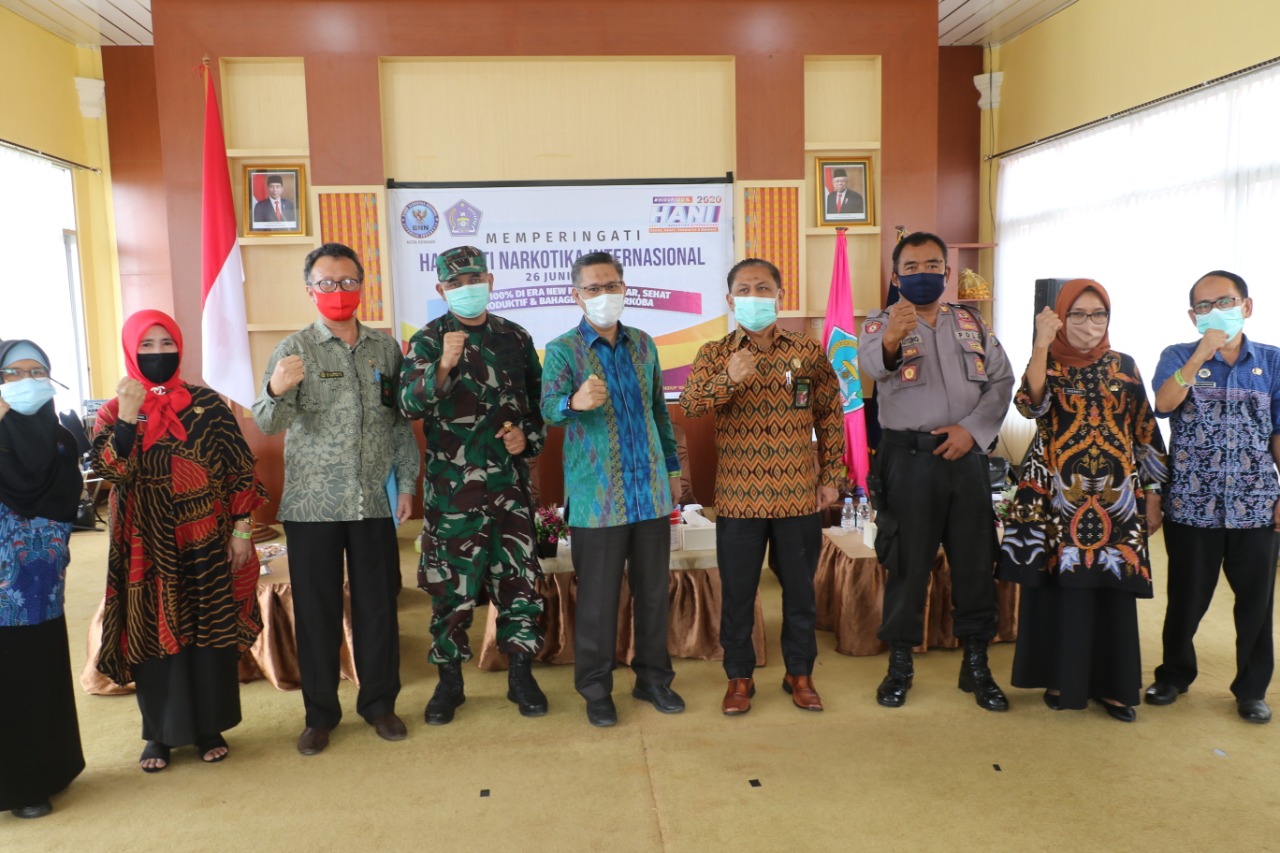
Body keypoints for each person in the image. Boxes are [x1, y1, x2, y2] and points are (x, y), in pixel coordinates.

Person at [253, 243, 420, 754]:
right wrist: (277, 388)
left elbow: (399, 424)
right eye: (327, 283)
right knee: (317, 612)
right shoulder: (293, 349)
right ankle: (320, 715)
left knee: (378, 608)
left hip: (372, 500)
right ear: (311, 291)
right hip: (313, 506)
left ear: (362, 286)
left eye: (348, 281)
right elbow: (268, 422)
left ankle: (380, 705)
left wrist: (407, 484)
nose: (338, 291)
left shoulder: (385, 350)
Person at [91, 310, 266, 771]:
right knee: (152, 633)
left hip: (205, 538)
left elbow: (239, 469)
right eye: (146, 345)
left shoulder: (207, 404)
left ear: (180, 347)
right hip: (143, 543)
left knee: (208, 629)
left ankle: (210, 727)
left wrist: (242, 530)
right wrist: (129, 415)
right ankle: (160, 734)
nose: (158, 353)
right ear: (131, 350)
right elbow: (110, 471)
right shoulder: (113, 410)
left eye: (166, 343)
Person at [998, 280, 1168, 722]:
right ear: (1060, 318)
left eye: (1098, 314)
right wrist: (1040, 344)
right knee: (1059, 589)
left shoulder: (1124, 366)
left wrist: (1154, 495)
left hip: (1115, 500)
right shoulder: (1048, 362)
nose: (1089, 323)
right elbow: (1029, 407)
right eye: (1077, 314)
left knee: (1112, 588)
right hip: (1057, 498)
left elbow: (1146, 433)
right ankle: (1061, 680)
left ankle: (1115, 687)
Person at [680, 259, 844, 715]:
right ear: (730, 300)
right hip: (740, 497)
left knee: (800, 594)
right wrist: (728, 378)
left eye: (763, 288)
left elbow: (830, 415)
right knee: (737, 595)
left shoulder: (807, 350)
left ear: (779, 295)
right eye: (745, 289)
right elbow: (691, 405)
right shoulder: (715, 353)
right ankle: (739, 677)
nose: (754, 296)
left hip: (798, 494)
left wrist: (832, 477)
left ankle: (800, 674)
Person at [858, 231, 1014, 711]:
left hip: (966, 459)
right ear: (896, 276)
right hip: (908, 462)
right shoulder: (878, 324)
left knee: (975, 563)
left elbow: (1001, 381)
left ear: (946, 273)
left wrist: (973, 430)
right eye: (911, 267)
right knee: (907, 564)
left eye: (931, 266)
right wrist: (892, 337)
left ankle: (976, 664)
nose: (922, 274)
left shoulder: (972, 323)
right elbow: (872, 367)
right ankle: (900, 664)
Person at [399, 246, 547, 724]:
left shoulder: (515, 337)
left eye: (475, 279)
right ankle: (450, 683)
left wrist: (527, 438)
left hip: (509, 488)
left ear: (490, 280)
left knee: (519, 583)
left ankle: (521, 674)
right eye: (456, 283)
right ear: (441, 289)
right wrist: (442, 366)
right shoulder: (427, 340)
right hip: (453, 493)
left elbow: (538, 406)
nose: (467, 288)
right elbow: (408, 404)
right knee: (450, 591)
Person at [541, 250, 683, 727]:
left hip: (651, 492)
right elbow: (548, 410)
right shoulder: (562, 349)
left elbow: (658, 410)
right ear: (576, 295)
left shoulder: (643, 343)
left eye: (612, 286)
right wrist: (574, 401)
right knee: (598, 602)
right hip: (596, 499)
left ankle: (653, 680)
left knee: (653, 595)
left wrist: (672, 470)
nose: (604, 295)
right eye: (593, 288)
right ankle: (596, 689)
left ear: (624, 288)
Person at [1145, 270, 1280, 724]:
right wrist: (1201, 354)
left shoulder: (1273, 362)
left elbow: (1279, 433)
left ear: (1246, 306)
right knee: (1185, 600)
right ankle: (1173, 676)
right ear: (1192, 316)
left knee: (1256, 606)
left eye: (1224, 301)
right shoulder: (1177, 355)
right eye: (1203, 306)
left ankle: (1251, 690)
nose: (1214, 311)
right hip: (1191, 505)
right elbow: (1163, 404)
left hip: (1256, 506)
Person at [0, 340, 84, 817]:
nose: (26, 381)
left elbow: (68, 499)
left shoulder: (61, 437)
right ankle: (17, 787)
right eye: (13, 372)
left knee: (39, 666)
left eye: (37, 371)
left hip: (40, 576)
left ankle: (50, 772)